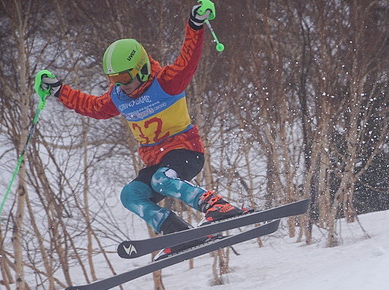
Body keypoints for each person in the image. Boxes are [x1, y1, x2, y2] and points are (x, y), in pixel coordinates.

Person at [39, 1, 248, 259]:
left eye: (124, 78)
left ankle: (217, 206)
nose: (120, 85)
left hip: (185, 152)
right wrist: (60, 90)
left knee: (162, 178)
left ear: (141, 68)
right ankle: (176, 231)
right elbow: (92, 106)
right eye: (114, 80)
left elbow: (188, 59)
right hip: (156, 162)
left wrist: (195, 24)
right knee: (131, 194)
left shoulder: (166, 82)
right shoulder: (119, 97)